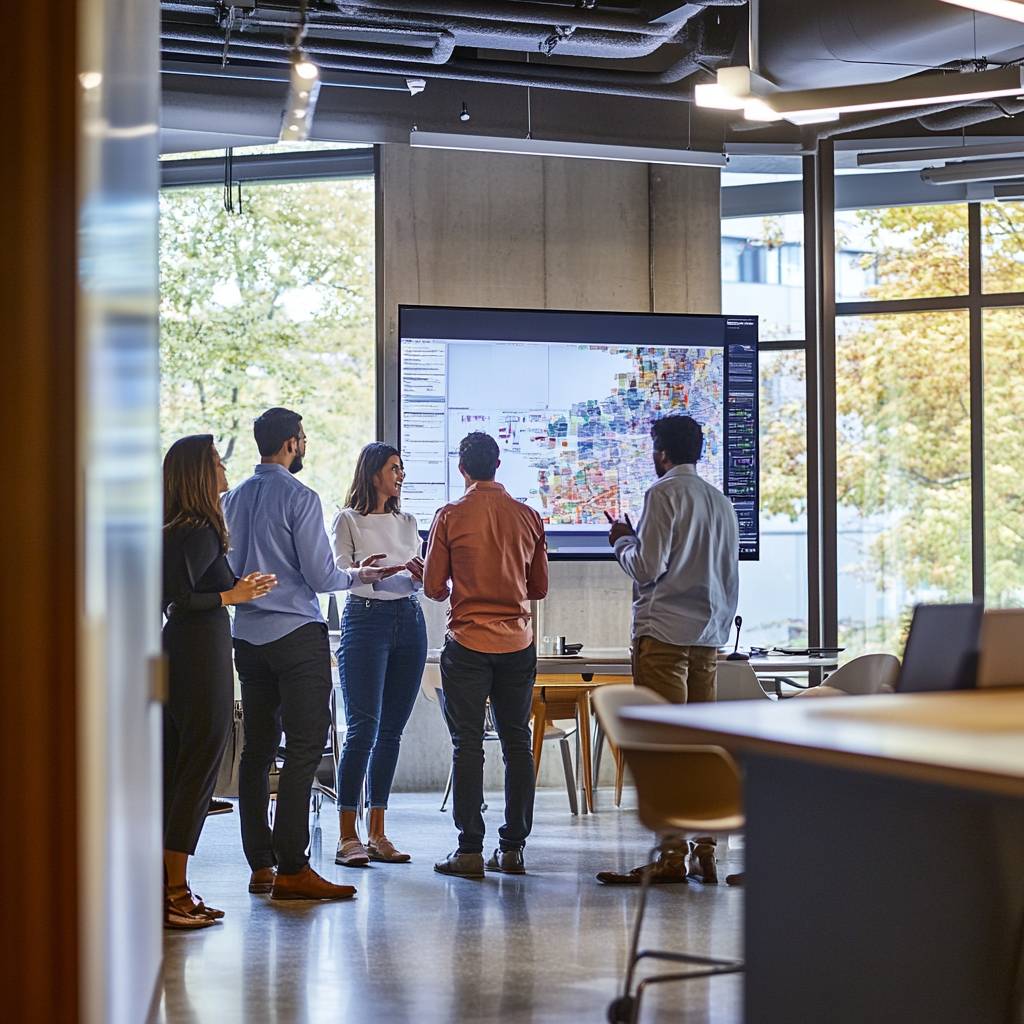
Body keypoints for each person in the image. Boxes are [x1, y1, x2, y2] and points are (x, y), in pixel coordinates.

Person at [222, 408, 402, 902]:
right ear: (291, 444)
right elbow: (324, 578)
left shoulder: (230, 499)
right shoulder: (300, 497)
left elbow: (228, 570)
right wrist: (358, 577)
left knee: (257, 753)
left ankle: (260, 866)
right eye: (302, 439)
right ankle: (294, 868)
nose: (304, 445)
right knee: (303, 751)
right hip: (296, 638)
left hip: (249, 638)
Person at [597, 413, 739, 887]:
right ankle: (706, 850)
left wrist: (621, 541)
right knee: (701, 749)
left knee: (663, 750)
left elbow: (646, 566)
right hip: (708, 638)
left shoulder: (662, 494)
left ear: (661, 453)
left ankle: (671, 856)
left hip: (663, 635)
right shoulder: (721, 503)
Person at [162, 435, 278, 929]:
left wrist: (231, 593)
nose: (224, 469)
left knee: (176, 773)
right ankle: (173, 891)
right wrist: (233, 594)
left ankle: (168, 888)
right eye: (215, 462)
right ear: (198, 474)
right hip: (197, 655)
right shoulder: (199, 531)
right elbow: (179, 600)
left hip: (186, 654)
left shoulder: (178, 528)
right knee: (196, 773)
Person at [423, 432, 548, 878]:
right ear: (499, 464)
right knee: (518, 743)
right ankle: (513, 848)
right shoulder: (529, 516)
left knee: (467, 744)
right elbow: (539, 589)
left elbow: (434, 588)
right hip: (518, 645)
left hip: (469, 645)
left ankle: (470, 850)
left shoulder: (450, 516)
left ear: (462, 468)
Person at [330, 443, 428, 868]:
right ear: (373, 474)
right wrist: (364, 573)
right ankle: (346, 835)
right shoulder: (347, 520)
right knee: (362, 728)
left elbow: (421, 576)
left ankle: (378, 833)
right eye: (394, 468)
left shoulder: (408, 521)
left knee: (390, 732)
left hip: (410, 620)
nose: (400, 474)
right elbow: (339, 573)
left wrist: (425, 576)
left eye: (402, 468)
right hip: (366, 621)